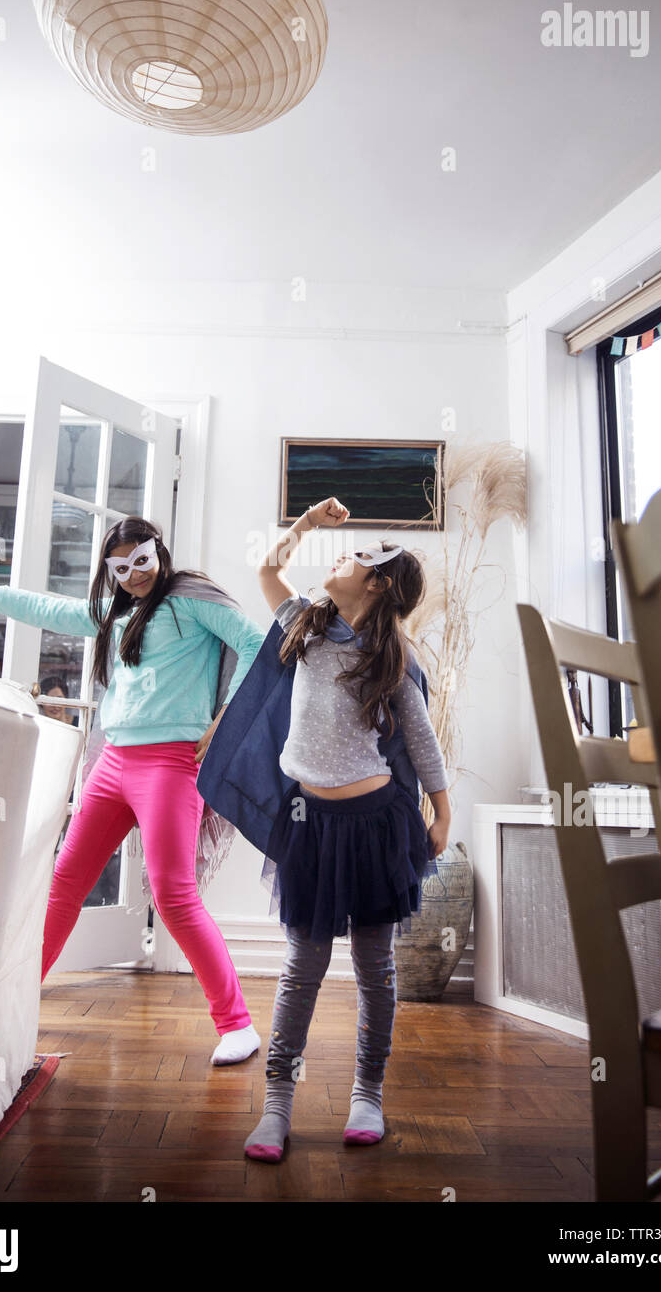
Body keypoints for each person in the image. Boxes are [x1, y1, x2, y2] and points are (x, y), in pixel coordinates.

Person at [0, 517, 266, 1066]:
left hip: (171, 764)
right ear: (109, 570)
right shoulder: (117, 613)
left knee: (174, 897)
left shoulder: (192, 599)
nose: (134, 574)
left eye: (142, 560)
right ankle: (9, 997)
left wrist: (226, 720)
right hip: (113, 763)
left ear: (160, 552)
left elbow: (256, 643)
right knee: (64, 881)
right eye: (121, 567)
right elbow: (50, 610)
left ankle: (237, 1025)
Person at [199, 496, 451, 1160]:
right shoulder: (306, 630)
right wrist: (307, 524)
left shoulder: (392, 657)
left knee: (375, 966)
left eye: (361, 557)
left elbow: (421, 741)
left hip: (376, 827)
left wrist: (442, 809)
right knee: (302, 965)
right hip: (312, 826)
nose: (345, 555)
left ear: (378, 585)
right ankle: (277, 1105)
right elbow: (266, 571)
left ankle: (368, 1095)